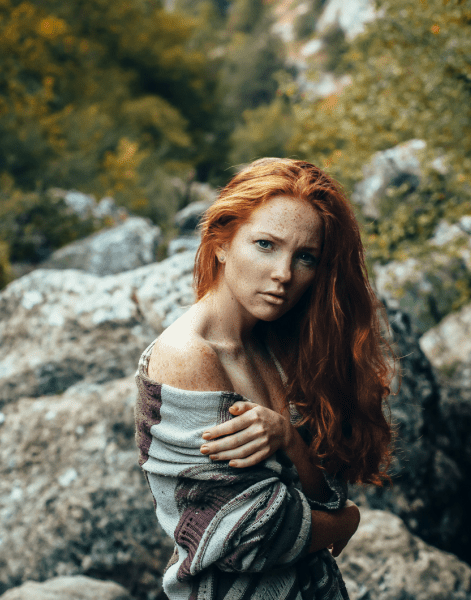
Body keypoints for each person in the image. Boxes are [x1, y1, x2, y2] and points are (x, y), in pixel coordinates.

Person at [134, 158, 394, 600]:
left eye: (305, 257)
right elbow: (247, 538)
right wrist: (344, 521)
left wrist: (288, 439)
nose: (284, 275)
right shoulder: (188, 356)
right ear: (221, 242)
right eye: (266, 245)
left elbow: (329, 487)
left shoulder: (276, 345)